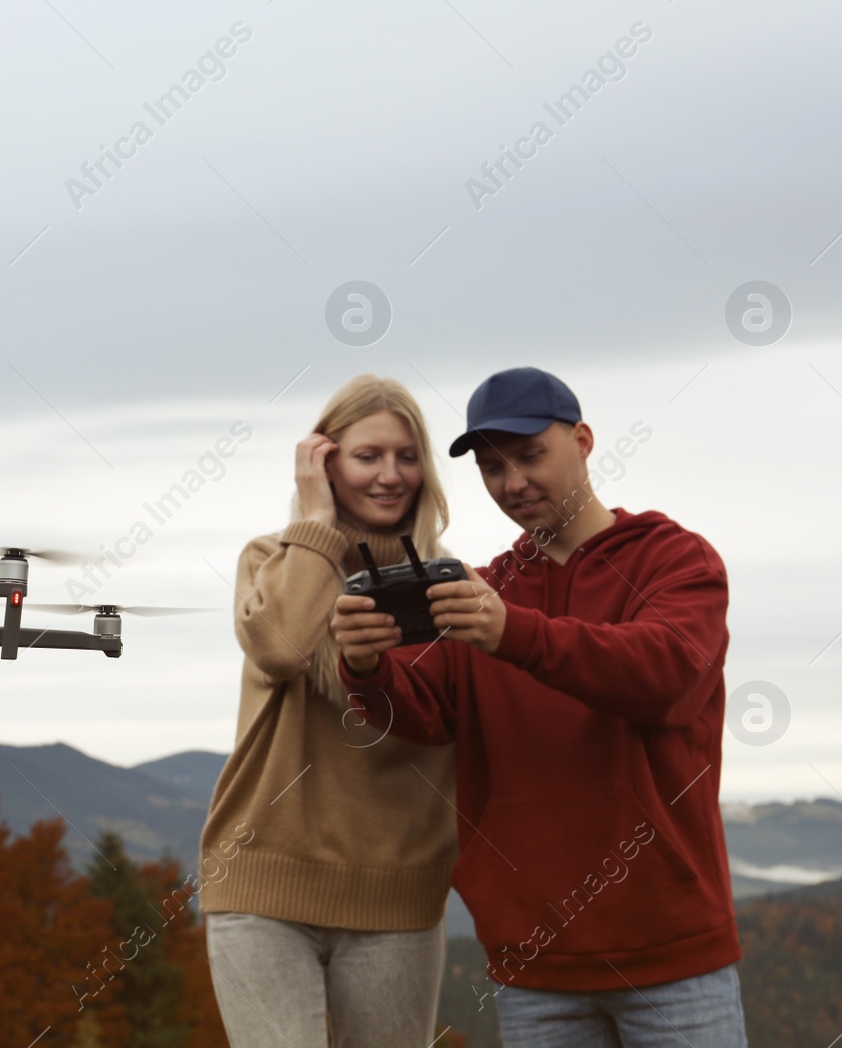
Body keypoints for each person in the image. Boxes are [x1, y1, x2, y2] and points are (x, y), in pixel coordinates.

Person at [332, 366, 748, 1047]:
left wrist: (512, 633)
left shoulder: (675, 561)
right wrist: (365, 665)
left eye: (530, 455)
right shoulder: (486, 589)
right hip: (533, 967)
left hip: (673, 957)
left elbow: (666, 673)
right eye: (494, 468)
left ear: (583, 440)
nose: (513, 482)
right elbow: (423, 709)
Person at [199, 374, 459, 1047]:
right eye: (367, 455)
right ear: (324, 461)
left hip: (397, 892)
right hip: (263, 883)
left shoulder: (452, 586)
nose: (390, 474)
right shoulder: (271, 559)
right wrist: (314, 522)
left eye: (406, 456)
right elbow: (283, 647)